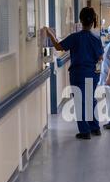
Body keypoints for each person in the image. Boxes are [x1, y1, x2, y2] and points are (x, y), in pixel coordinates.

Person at [44, 7, 104, 140]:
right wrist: (97, 74)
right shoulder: (96, 38)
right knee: (90, 100)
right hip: (92, 73)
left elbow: (59, 47)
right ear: (93, 20)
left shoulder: (75, 37)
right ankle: (95, 128)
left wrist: (50, 34)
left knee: (80, 101)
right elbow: (100, 58)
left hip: (78, 74)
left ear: (80, 20)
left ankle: (84, 131)